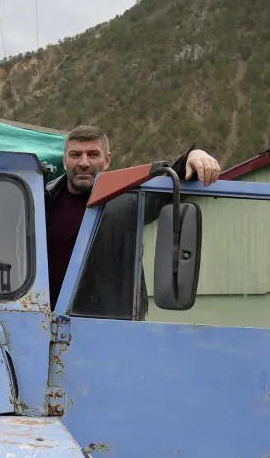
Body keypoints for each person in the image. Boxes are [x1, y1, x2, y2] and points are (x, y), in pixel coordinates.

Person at [45, 125, 221, 318]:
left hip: (112, 325)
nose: (84, 162)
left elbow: (171, 187)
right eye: (75, 155)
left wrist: (194, 156)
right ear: (64, 160)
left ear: (107, 160)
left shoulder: (129, 200)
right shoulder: (42, 201)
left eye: (93, 154)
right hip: (48, 325)